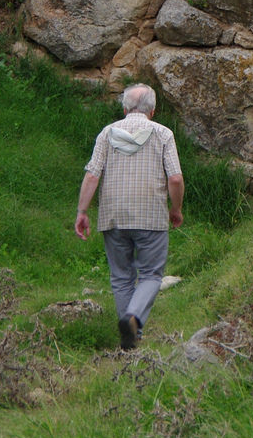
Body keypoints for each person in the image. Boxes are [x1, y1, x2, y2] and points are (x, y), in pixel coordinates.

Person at [74, 84, 184, 350]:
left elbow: (92, 175)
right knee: (150, 275)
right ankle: (133, 319)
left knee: (121, 277)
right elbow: (176, 178)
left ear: (124, 109)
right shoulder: (163, 134)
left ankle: (129, 336)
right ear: (153, 111)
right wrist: (176, 209)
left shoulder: (107, 133)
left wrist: (82, 211)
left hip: (114, 216)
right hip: (151, 217)